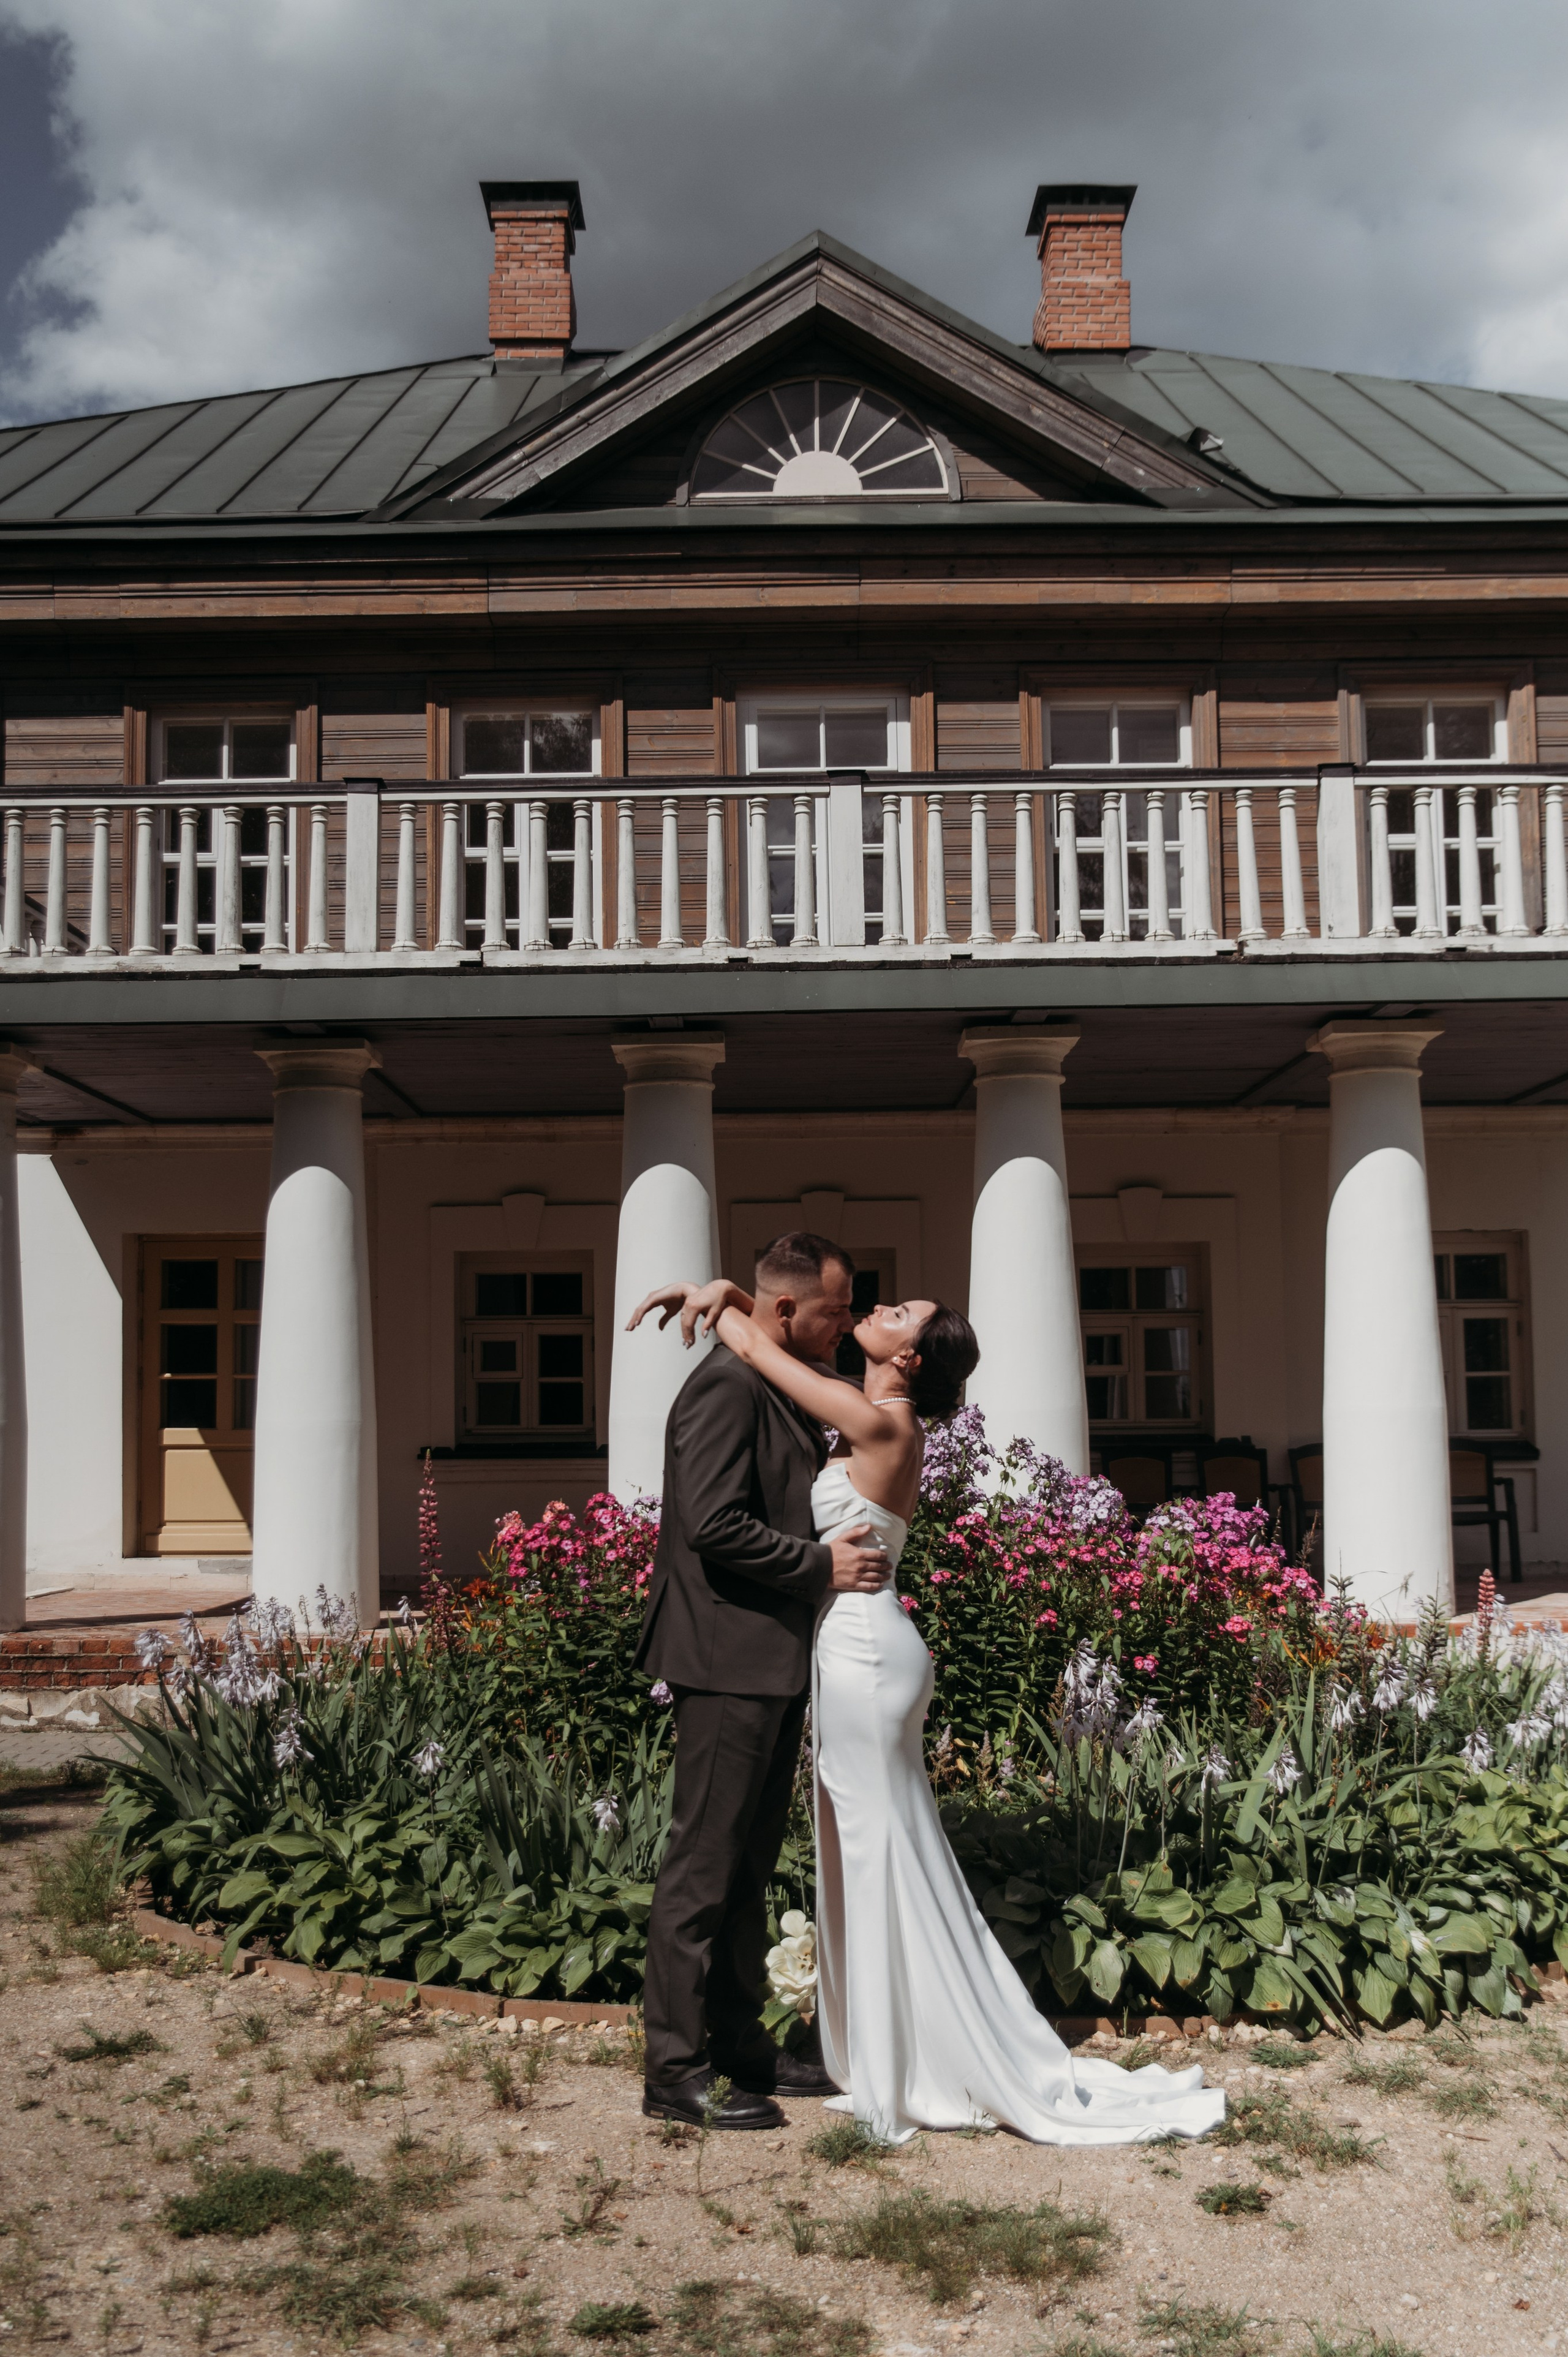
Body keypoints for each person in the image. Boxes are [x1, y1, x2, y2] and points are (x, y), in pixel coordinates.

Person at [631, 1270, 1226, 2149]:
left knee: (873, 1850)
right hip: (850, 1649)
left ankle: (895, 2052)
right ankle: (865, 2046)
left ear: (909, 1357)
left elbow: (761, 1343)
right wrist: (740, 1295)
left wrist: (728, 1295)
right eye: (856, 1305)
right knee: (861, 1849)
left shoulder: (878, 1419)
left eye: (892, 1313)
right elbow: (773, 1349)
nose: (870, 1310)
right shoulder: (861, 1407)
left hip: (866, 1653)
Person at [633, 1231, 892, 2132]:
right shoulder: (726, 1387)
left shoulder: (774, 1376)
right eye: (836, 1309)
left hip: (768, 1658)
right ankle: (675, 2071)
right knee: (703, 1866)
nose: (847, 1323)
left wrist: (730, 1300)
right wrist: (821, 1565)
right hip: (724, 1658)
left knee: (747, 1865)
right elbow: (712, 1524)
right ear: (788, 1309)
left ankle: (743, 2048)